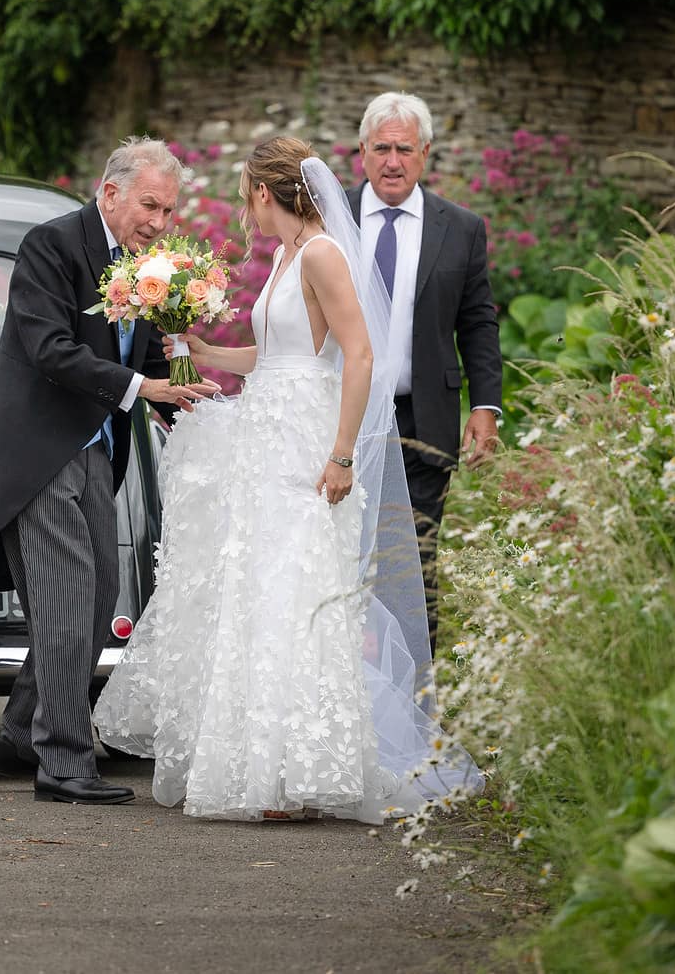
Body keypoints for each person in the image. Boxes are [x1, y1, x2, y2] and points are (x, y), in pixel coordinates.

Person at [94, 136, 480, 823]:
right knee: (258, 590)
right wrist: (207, 350)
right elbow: (275, 357)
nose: (245, 214)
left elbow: (359, 357)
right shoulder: (286, 256)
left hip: (305, 446)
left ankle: (302, 774)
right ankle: (263, 769)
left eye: (247, 199)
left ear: (266, 195)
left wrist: (340, 454)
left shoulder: (326, 253)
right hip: (264, 437)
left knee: (296, 592)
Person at [0, 137, 219, 806]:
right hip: (35, 453)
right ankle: (62, 763)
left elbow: (150, 355)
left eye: (169, 210)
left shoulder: (151, 267)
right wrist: (140, 389)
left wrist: (188, 397)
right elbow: (48, 349)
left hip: (96, 449)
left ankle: (18, 734)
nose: (158, 221)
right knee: (64, 601)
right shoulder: (51, 246)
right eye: (149, 204)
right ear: (111, 190)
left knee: (96, 604)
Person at [345, 92, 503, 643]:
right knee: (337, 558)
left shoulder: (458, 227)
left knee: (411, 565)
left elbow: (478, 323)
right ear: (361, 151)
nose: (393, 161)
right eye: (382, 148)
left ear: (426, 153)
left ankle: (415, 705)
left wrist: (485, 406)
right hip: (339, 418)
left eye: (404, 149)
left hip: (421, 423)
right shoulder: (327, 217)